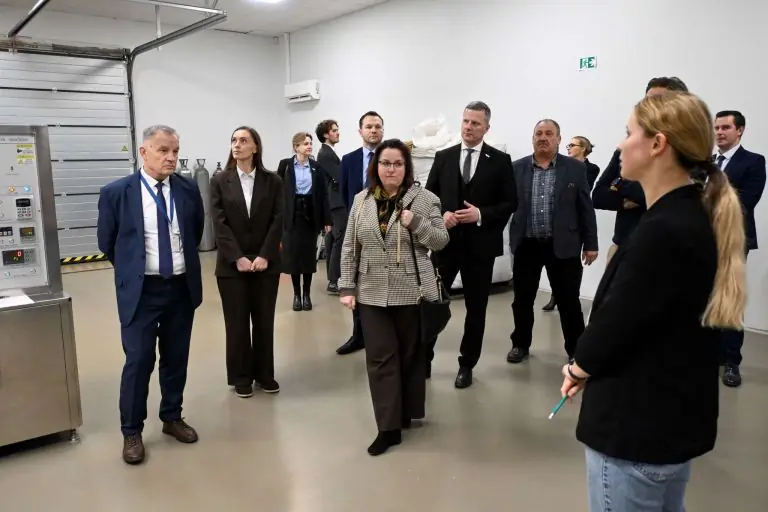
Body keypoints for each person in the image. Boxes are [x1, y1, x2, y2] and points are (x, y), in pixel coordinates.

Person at [561, 92, 747, 512]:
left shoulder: (663, 230)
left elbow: (619, 319)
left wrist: (578, 366)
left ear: (658, 144)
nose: (620, 144)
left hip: (635, 427)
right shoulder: (693, 215)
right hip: (669, 420)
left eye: (629, 133)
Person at [97, 125, 205, 465]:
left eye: (175, 151)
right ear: (143, 152)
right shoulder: (117, 193)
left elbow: (196, 230)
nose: (171, 157)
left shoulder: (187, 189)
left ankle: (172, 416)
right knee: (139, 359)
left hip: (180, 289)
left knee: (176, 357)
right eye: (163, 150)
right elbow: (108, 242)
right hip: (141, 292)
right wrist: (134, 271)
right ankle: (132, 431)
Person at [338, 138, 449, 456]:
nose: (391, 169)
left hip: (412, 290)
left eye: (398, 164)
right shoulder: (361, 200)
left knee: (410, 357)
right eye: (385, 163)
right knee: (380, 358)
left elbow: (441, 240)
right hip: (372, 291)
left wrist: (416, 223)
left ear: (406, 167)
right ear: (376, 167)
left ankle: (407, 412)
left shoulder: (425, 199)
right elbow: (350, 245)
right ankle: (388, 428)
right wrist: (347, 286)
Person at [425, 101, 517, 388]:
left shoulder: (500, 161)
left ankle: (466, 365)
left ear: (487, 128)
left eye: (475, 123)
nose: (468, 127)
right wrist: (442, 215)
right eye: (466, 121)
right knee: (432, 304)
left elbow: (510, 203)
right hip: (445, 246)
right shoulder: (443, 157)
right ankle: (423, 359)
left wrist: (481, 215)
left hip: (480, 250)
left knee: (476, 310)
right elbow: (429, 197)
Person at [507, 119, 598, 364]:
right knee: (522, 300)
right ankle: (520, 344)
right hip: (527, 245)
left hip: (564, 245)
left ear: (558, 139)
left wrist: (591, 243)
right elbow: (506, 205)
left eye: (549, 133)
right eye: (538, 133)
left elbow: (585, 207)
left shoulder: (575, 168)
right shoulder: (517, 168)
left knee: (569, 301)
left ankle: (576, 350)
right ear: (532, 138)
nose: (543, 137)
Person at [210, 126, 284, 398]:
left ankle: (265, 374)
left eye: (243, 140)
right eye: (234, 140)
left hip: (266, 264)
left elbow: (278, 219)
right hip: (232, 267)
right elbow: (219, 223)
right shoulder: (220, 180)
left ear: (255, 147)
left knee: (264, 322)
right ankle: (241, 376)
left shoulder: (273, 181)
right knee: (237, 324)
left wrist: (265, 255)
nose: (237, 145)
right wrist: (237, 257)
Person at [592, 77, 688, 264]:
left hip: (669, 254)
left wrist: (621, 185)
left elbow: (674, 198)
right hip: (623, 249)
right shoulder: (627, 148)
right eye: (647, 100)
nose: (650, 106)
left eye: (659, 100)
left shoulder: (689, 149)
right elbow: (598, 196)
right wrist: (627, 199)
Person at [713, 110, 766, 387]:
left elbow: (746, 201)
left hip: (733, 240)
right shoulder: (706, 163)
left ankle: (731, 361)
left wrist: (707, 200)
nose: (719, 132)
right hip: (700, 240)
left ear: (740, 130)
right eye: (716, 128)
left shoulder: (754, 161)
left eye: (726, 127)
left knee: (730, 300)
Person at [336, 111, 384, 355]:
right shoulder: (349, 160)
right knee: (356, 280)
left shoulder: (391, 157)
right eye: (369, 126)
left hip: (386, 230)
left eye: (377, 126)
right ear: (360, 131)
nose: (373, 130)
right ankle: (359, 335)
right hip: (359, 229)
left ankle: (382, 335)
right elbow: (344, 194)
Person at [543, 135, 601, 312]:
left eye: (572, 145)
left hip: (576, 219)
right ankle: (555, 295)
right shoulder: (560, 166)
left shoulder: (590, 168)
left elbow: (582, 190)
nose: (568, 148)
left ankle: (570, 295)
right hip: (558, 218)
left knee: (572, 261)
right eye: (568, 145)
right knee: (553, 259)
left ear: (583, 148)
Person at [277, 132, 331, 312]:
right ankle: (296, 295)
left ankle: (306, 294)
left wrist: (327, 219)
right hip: (291, 215)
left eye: (310, 143)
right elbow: (277, 192)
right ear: (296, 147)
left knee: (308, 257)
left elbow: (323, 195)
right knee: (293, 256)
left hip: (310, 214)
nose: (309, 146)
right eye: (305, 143)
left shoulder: (316, 167)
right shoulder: (285, 165)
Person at [315, 119, 344, 294]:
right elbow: (340, 176)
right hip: (335, 203)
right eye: (334, 130)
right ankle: (334, 280)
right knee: (340, 239)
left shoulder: (329, 152)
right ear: (326, 134)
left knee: (333, 240)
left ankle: (333, 280)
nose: (337, 132)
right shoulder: (325, 154)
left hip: (333, 202)